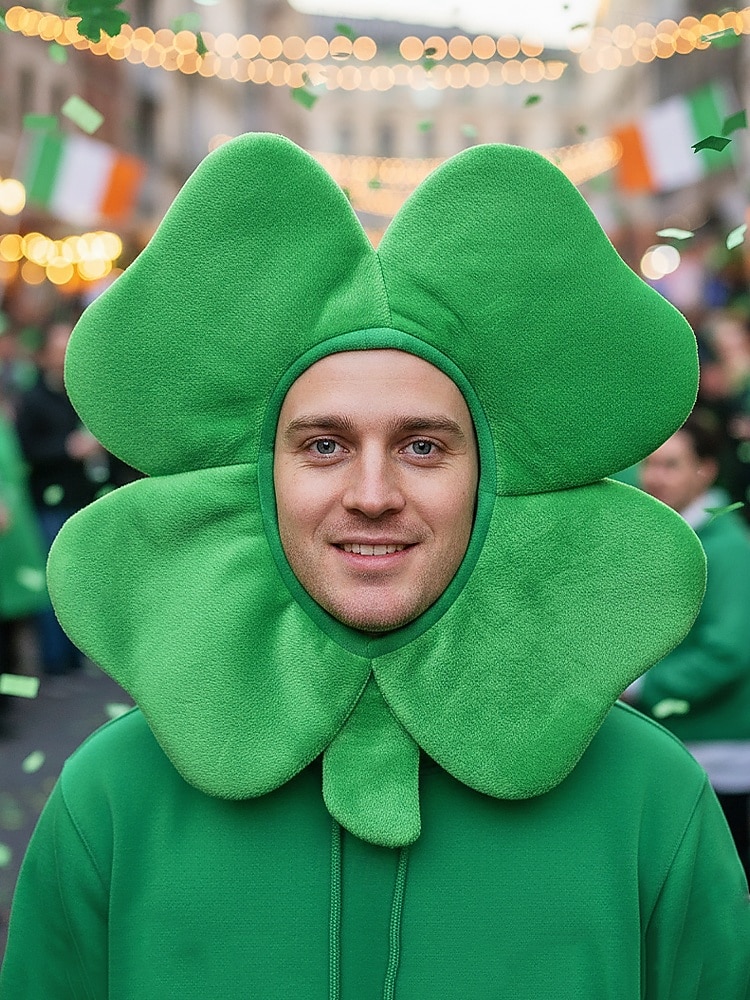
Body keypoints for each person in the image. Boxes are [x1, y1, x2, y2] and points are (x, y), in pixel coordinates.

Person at [1, 135, 748, 998]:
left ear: (490, 481)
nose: (371, 495)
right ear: (260, 479)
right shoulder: (111, 800)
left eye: (423, 446)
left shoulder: (651, 800)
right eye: (323, 445)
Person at [631, 410, 750, 879]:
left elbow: (728, 651)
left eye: (671, 465)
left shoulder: (726, 547)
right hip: (680, 744)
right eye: (651, 463)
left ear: (706, 470)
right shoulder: (672, 536)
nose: (655, 477)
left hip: (719, 756)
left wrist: (641, 685)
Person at [14, 319, 108, 676]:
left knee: (84, 579)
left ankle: (82, 654)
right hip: (49, 504)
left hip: (85, 497)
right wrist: (67, 449)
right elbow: (26, 450)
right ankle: (56, 660)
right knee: (55, 581)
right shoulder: (33, 400)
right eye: (58, 350)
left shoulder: (81, 393)